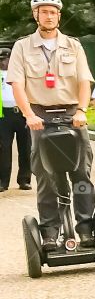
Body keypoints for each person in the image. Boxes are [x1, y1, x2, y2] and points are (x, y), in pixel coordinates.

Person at [5, 0, 95, 250]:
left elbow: (83, 81)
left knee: (81, 174)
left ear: (59, 16)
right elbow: (17, 85)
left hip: (71, 114)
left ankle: (87, 228)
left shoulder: (73, 45)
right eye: (43, 11)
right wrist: (29, 114)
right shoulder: (22, 46)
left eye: (53, 12)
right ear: (36, 15)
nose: (49, 16)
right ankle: (49, 232)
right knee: (45, 176)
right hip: (40, 116)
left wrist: (81, 111)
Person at [0, 45, 32, 191]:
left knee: (25, 147)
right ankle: (3, 181)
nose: (3, 63)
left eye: (5, 60)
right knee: (3, 149)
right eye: (1, 60)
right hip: (3, 115)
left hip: (22, 113)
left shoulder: (21, 73)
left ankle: (24, 179)